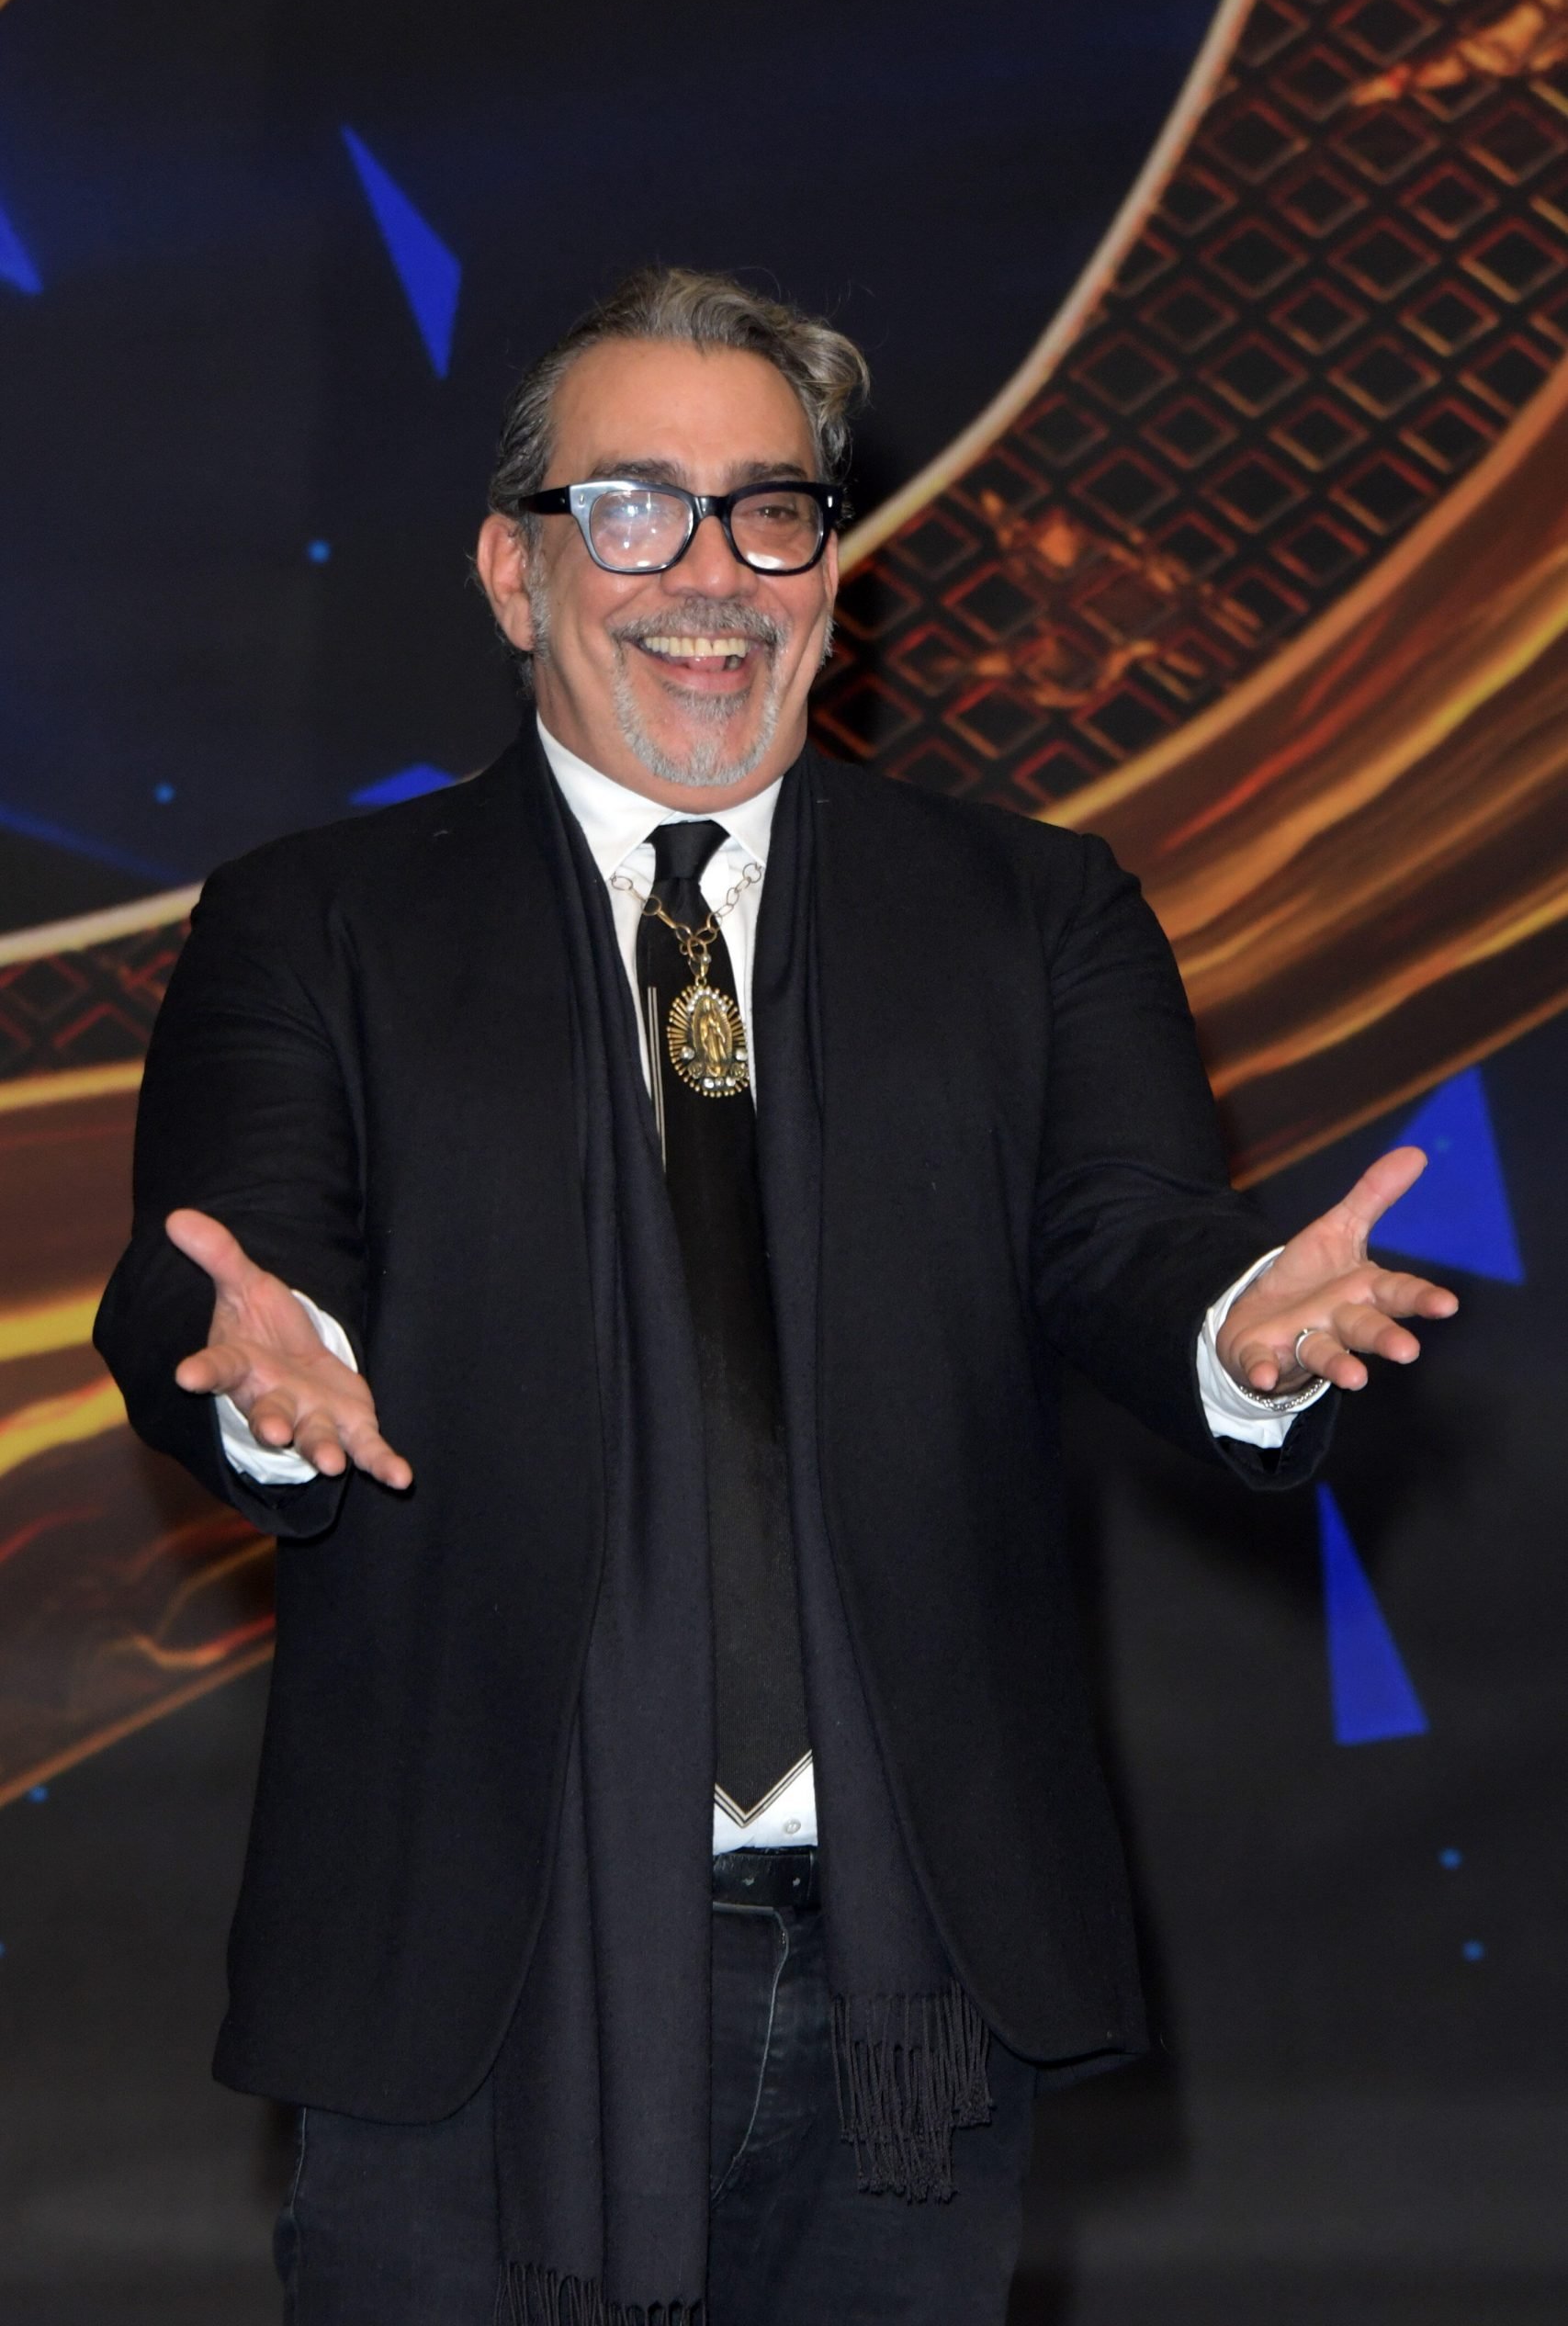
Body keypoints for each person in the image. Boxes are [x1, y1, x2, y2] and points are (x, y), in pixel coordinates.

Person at [94, 267, 1458, 2326]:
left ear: (833, 571)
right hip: (472, 1966)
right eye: (633, 508)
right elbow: (227, 1263)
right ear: (515, 571)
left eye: (772, 511)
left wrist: (1236, 1327)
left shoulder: (1033, 912)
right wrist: (267, 1381)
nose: (712, 573)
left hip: (912, 1979)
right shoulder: (315, 924)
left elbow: (1132, 1236)